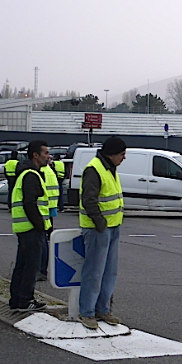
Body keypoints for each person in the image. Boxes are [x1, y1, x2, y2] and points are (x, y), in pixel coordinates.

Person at [78, 136, 127, 329]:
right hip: (99, 228)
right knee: (94, 271)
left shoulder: (108, 168)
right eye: (122, 154)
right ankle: (87, 312)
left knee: (109, 271)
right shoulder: (94, 169)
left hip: (111, 226)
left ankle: (103, 309)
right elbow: (88, 199)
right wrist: (100, 223)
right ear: (111, 154)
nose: (124, 158)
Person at [8, 140, 51, 313]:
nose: (48, 157)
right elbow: (30, 203)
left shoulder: (26, 173)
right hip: (31, 228)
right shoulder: (31, 175)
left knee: (23, 264)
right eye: (46, 153)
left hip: (25, 228)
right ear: (35, 155)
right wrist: (40, 225)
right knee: (31, 266)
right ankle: (25, 300)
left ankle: (17, 299)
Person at [38, 156, 61, 282]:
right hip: (51, 206)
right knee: (46, 239)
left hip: (44, 207)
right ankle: (42, 270)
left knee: (41, 241)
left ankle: (41, 270)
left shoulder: (42, 171)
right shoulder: (50, 170)